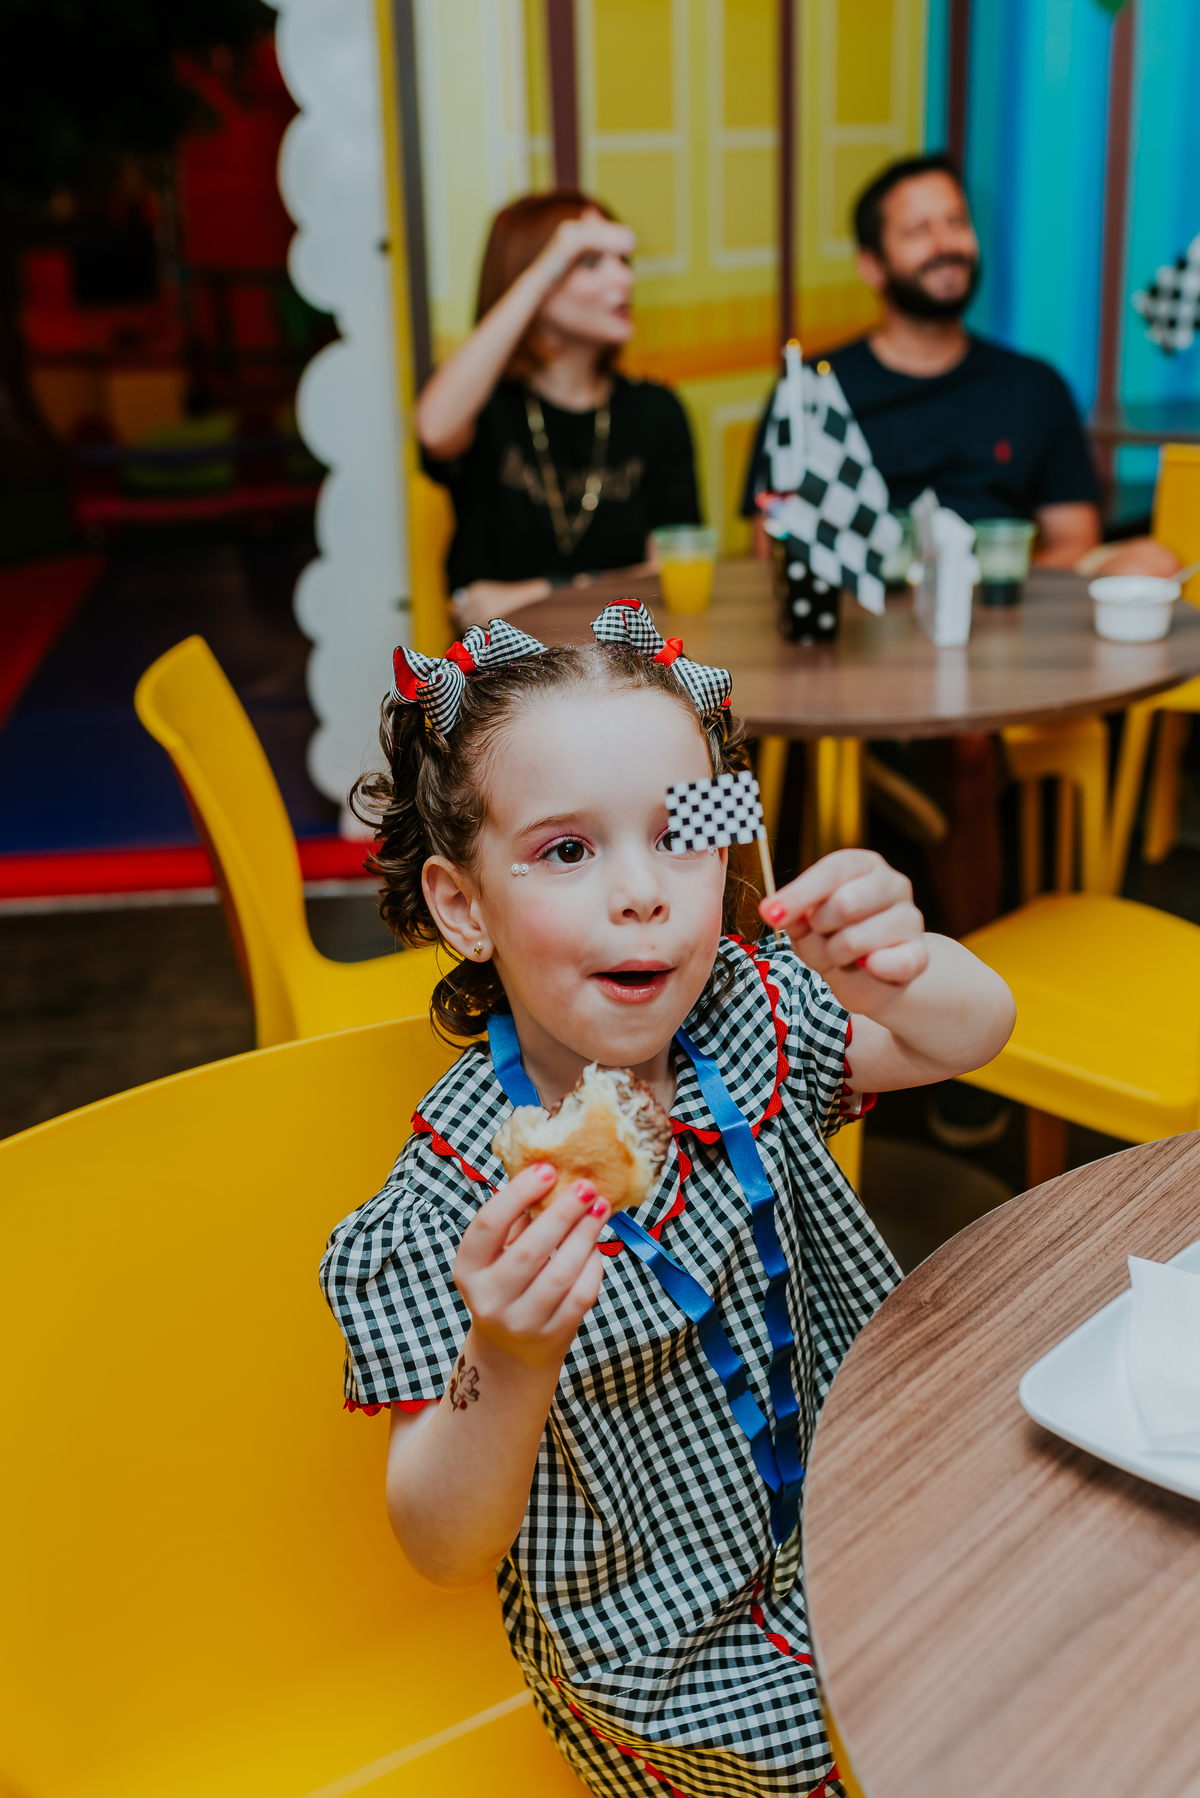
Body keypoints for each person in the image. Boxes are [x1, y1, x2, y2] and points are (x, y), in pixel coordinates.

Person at [320, 603, 1014, 1797]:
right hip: (666, 1650)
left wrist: (896, 969)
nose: (643, 893)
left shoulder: (747, 1017)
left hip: (864, 1514)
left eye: (679, 836)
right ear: (462, 904)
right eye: (568, 850)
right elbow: (440, 1539)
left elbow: (972, 1034)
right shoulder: (447, 1209)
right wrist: (511, 1349)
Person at [742, 151, 1178, 578]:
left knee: (1152, 562)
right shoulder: (812, 388)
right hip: (864, 612)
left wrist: (980, 595)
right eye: (918, 230)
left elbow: (1076, 541)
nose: (945, 244)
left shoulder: (1033, 386)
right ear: (872, 266)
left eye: (956, 222)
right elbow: (772, 548)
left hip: (1002, 608)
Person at [417, 191, 702, 632]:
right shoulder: (485, 406)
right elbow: (434, 431)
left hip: (616, 667)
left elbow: (667, 575)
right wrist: (543, 270)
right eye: (590, 262)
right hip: (497, 676)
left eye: (623, 261)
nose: (622, 279)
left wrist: (534, 594)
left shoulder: (656, 411)